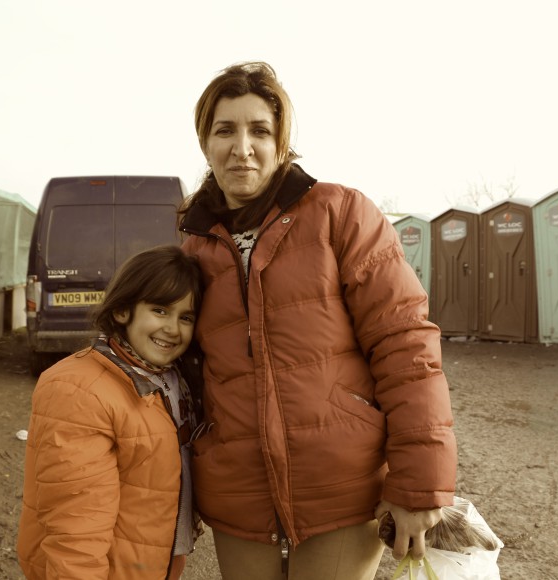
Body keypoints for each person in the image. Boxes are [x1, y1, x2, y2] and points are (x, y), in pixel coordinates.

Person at [178, 61, 458, 580]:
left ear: (281, 142)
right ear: (205, 143)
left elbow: (405, 346)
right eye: (225, 130)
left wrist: (419, 484)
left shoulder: (341, 214)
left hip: (343, 487)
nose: (243, 147)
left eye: (260, 130)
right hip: (239, 495)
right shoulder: (191, 247)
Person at [17, 245, 204, 580]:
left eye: (185, 317)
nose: (174, 329)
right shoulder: (79, 389)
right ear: (121, 311)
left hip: (150, 563)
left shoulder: (171, 381)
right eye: (160, 311)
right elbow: (76, 528)